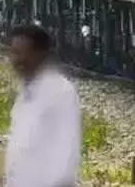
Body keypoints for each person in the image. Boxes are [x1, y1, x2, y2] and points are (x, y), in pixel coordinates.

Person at [5, 24, 80, 187]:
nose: (15, 60)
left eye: (21, 53)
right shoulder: (25, 92)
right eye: (13, 53)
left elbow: (65, 156)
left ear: (40, 55)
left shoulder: (60, 92)